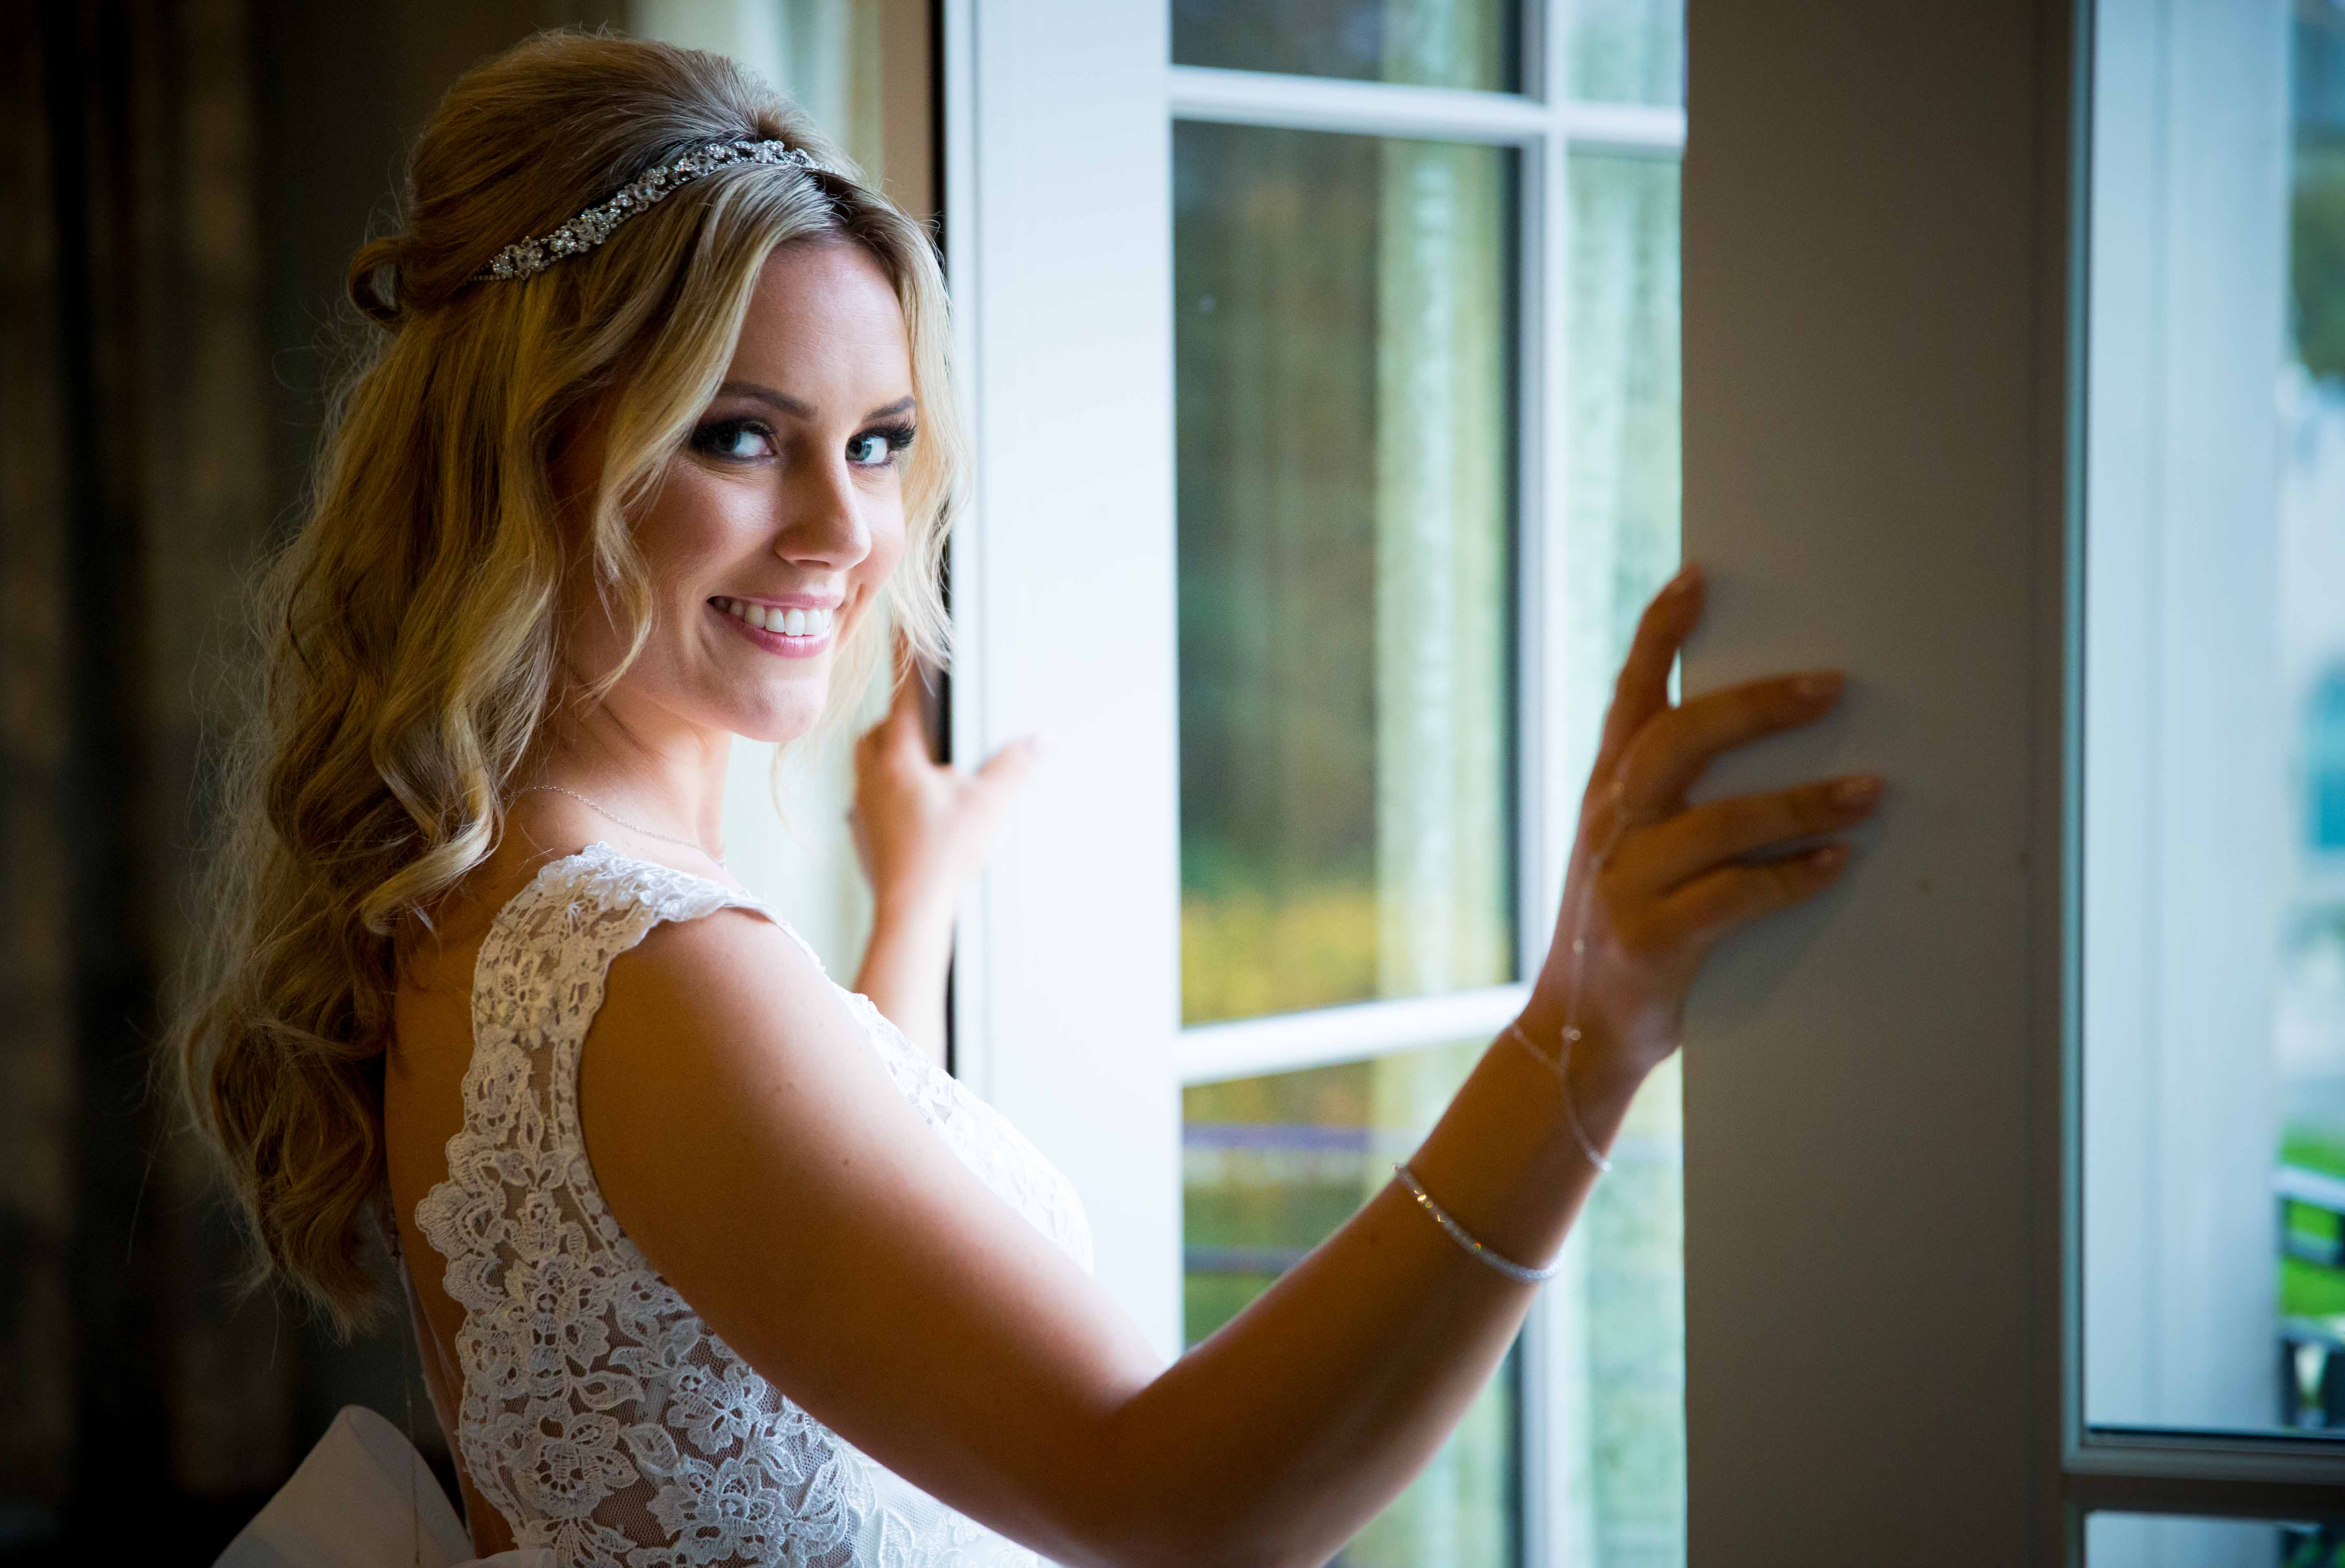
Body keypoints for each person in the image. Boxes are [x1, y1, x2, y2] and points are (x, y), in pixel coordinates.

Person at [174, 30, 1882, 1568]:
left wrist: (911, 906)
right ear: (525, 451)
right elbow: (1177, 1499)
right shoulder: (647, 976)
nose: (849, 535)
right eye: (740, 436)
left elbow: (770, 1273)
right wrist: (1581, 1036)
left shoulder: (517, 912)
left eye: (879, 441)